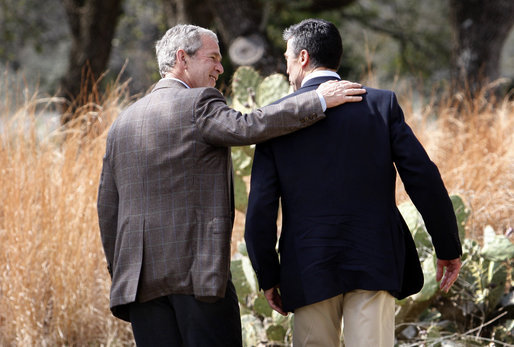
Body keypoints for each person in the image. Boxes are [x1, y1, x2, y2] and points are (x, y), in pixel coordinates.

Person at [96, 23, 366, 347]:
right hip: (198, 279)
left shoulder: (120, 124)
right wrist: (316, 100)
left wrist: (122, 272)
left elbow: (107, 209)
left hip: (139, 285)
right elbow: (249, 126)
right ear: (183, 58)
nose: (221, 68)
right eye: (213, 58)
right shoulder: (199, 103)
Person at [244, 18, 462, 347]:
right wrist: (447, 246)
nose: (287, 69)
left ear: (303, 58)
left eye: (287, 59)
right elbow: (423, 177)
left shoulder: (277, 116)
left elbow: (260, 206)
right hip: (373, 259)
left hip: (307, 266)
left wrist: (268, 276)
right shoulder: (380, 104)